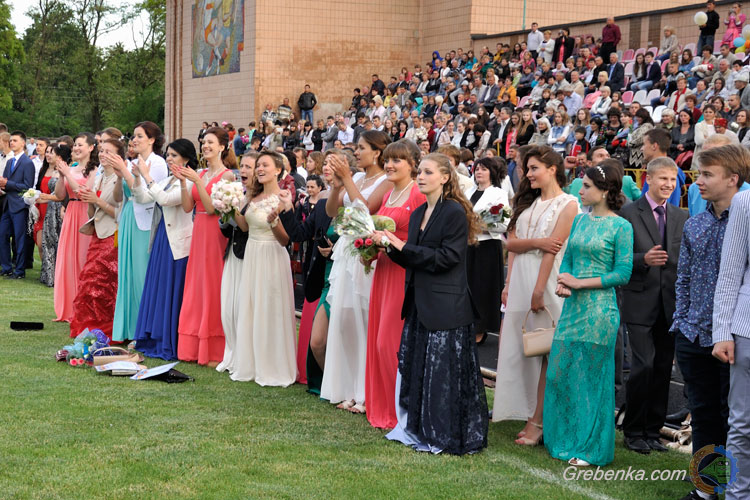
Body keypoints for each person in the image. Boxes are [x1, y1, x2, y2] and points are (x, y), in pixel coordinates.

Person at [380, 152, 488, 455]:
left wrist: (403, 246)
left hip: (446, 305)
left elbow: (448, 258)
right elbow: (412, 258)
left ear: (445, 177)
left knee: (442, 374)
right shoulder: (418, 214)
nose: (421, 177)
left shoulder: (453, 211)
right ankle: (418, 428)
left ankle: (443, 434)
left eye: (428, 172)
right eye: (420, 172)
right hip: (418, 302)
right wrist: (388, 246)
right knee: (419, 369)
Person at [670, 145, 749, 500]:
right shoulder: (695, 223)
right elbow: (683, 278)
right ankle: (706, 488)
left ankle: (735, 486)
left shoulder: (743, 221)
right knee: (702, 414)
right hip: (693, 333)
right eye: (698, 174)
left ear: (733, 179)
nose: (698, 181)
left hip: (733, 336)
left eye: (706, 174)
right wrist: (681, 321)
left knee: (734, 417)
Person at [544, 164, 633, 467]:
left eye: (586, 186)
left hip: (600, 311)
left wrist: (580, 283)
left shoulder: (621, 227)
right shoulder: (580, 220)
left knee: (591, 379)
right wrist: (563, 280)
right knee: (560, 373)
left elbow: (622, 273)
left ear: (605, 191)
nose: (579, 191)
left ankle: (590, 448)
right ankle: (567, 439)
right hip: (573, 309)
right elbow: (568, 258)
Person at [492, 146, 579, 445]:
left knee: (549, 354)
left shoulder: (569, 204)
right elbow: (510, 245)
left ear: (552, 169)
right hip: (519, 282)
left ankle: (539, 422)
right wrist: (508, 284)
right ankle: (527, 411)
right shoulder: (527, 203)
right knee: (521, 350)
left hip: (547, 283)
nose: (527, 174)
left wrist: (539, 289)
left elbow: (553, 249)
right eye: (527, 169)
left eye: (533, 169)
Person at [620, 156, 689, 454]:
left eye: (673, 180)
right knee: (643, 365)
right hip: (638, 301)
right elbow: (618, 258)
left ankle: (652, 430)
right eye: (663, 178)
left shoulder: (680, 216)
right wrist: (642, 260)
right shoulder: (628, 213)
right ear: (647, 179)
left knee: (662, 368)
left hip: (669, 305)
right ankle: (633, 429)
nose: (668, 185)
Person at [323, 130, 392, 412]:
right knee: (345, 320)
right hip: (346, 250)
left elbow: (366, 211)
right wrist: (337, 187)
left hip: (366, 253)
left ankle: (366, 393)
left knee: (364, 319)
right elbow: (332, 212)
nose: (357, 152)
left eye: (362, 148)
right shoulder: (359, 177)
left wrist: (348, 180)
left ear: (377, 152)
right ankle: (350, 388)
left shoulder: (386, 181)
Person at [365, 139, 426, 430]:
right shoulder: (389, 193)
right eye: (387, 160)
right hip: (383, 271)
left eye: (396, 160)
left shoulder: (418, 194)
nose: (389, 165)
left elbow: (422, 240)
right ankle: (384, 406)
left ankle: (402, 410)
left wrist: (392, 243)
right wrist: (368, 250)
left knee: (390, 344)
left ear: (413, 164)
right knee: (378, 343)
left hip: (403, 274)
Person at [225, 152, 297, 386]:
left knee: (270, 307)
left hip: (272, 255)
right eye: (258, 166)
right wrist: (230, 207)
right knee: (251, 306)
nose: (260, 169)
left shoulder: (283, 198)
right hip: (252, 254)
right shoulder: (253, 197)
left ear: (278, 170)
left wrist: (273, 222)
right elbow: (245, 227)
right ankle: (252, 363)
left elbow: (285, 240)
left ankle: (272, 364)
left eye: (265, 165)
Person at [130, 139, 198, 360]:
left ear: (186, 158)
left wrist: (147, 176)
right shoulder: (168, 180)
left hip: (177, 242)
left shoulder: (190, 181)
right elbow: (142, 197)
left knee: (171, 290)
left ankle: (170, 340)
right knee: (158, 289)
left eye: (174, 155)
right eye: (168, 154)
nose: (169, 159)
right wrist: (138, 177)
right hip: (162, 238)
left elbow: (166, 199)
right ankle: (154, 337)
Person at [175, 126, 237, 366]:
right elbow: (187, 207)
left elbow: (212, 209)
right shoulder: (199, 173)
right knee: (196, 284)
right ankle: (192, 344)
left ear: (222, 146)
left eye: (211, 142)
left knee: (213, 284)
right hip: (198, 230)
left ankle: (214, 347)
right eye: (204, 142)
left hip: (215, 232)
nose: (206, 146)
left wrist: (197, 181)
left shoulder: (228, 176)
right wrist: (183, 182)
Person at [712, 154, 750, 500]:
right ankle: (738, 495)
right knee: (742, 423)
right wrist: (722, 331)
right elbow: (730, 271)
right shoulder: (745, 201)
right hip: (746, 330)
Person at [111, 122, 169, 343]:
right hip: (128, 218)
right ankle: (126, 330)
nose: (134, 140)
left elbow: (146, 196)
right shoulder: (132, 162)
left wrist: (126, 171)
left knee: (141, 276)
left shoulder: (158, 163)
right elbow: (120, 197)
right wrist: (119, 175)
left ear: (152, 140)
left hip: (146, 221)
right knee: (126, 275)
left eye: (139, 136)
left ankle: (142, 329)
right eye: (133, 136)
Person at [69, 138, 122, 339]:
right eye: (101, 151)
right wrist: (89, 199)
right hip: (97, 233)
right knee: (89, 281)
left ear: (118, 156)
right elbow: (93, 212)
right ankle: (89, 324)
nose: (103, 155)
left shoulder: (119, 179)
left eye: (108, 151)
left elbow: (120, 213)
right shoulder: (100, 176)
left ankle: (106, 325)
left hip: (111, 236)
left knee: (103, 283)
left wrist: (96, 200)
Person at [216, 153, 255, 375]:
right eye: (243, 166)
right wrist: (224, 216)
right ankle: (231, 352)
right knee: (228, 307)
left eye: (249, 167)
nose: (244, 171)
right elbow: (228, 229)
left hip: (249, 255)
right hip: (232, 251)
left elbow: (246, 227)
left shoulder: (256, 199)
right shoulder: (238, 193)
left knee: (242, 306)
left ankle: (243, 355)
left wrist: (234, 210)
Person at [464, 157, 509, 345]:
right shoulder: (468, 192)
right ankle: (467, 325)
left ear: (492, 172)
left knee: (483, 289)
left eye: (483, 169)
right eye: (477, 169)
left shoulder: (499, 194)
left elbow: (503, 223)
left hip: (487, 246)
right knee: (467, 287)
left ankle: (480, 328)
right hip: (467, 246)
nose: (479, 172)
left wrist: (476, 224)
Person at [53, 133, 96, 323]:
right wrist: (63, 175)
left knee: (83, 258)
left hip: (85, 213)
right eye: (75, 145)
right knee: (68, 259)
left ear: (91, 147)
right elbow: (60, 194)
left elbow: (82, 192)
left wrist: (68, 174)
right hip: (71, 213)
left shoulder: (95, 170)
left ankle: (83, 308)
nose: (76, 148)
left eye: (80, 145)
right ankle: (67, 308)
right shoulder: (71, 168)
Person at [0, 131, 34, 280]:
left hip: (20, 205)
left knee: (19, 239)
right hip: (7, 204)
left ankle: (19, 271)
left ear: (23, 143)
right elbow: (6, 183)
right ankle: (6, 268)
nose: (11, 143)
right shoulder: (10, 162)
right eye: (11, 140)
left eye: (15, 140)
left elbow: (28, 186)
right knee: (2, 235)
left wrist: (8, 183)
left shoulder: (27, 162)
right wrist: (3, 186)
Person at [38, 144, 67, 287]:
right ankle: (49, 276)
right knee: (47, 242)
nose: (48, 155)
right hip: (50, 209)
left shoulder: (66, 171)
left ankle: (59, 276)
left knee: (58, 242)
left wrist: (47, 197)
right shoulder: (51, 171)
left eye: (52, 153)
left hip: (60, 209)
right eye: (47, 152)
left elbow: (63, 195)